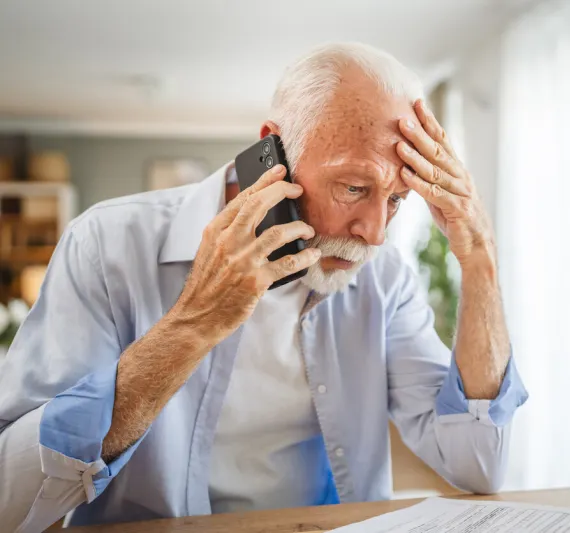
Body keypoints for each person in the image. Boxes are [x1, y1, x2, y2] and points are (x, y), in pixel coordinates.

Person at [0, 43, 527, 532]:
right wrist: (193, 326)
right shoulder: (106, 245)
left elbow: (476, 463)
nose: (376, 232)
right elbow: (11, 496)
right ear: (270, 152)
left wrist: (479, 254)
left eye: (396, 200)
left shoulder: (382, 276)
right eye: (353, 187)